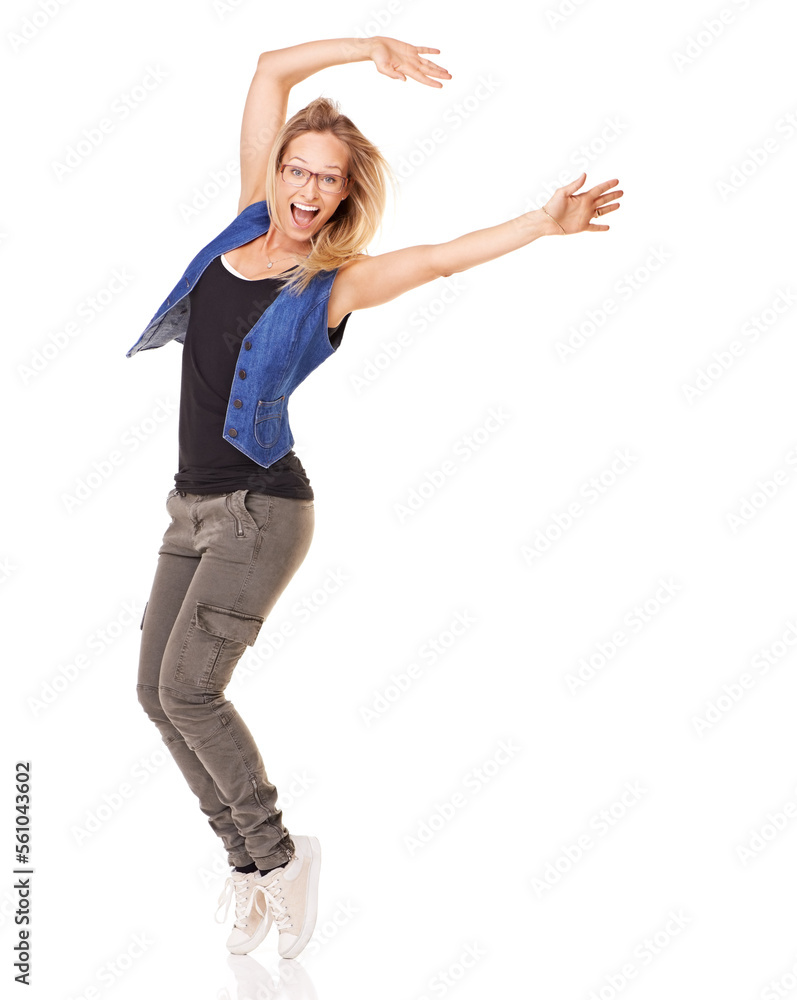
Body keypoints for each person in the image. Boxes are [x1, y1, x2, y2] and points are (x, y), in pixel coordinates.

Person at [129, 35, 623, 960]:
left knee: (191, 691)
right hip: (188, 507)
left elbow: (435, 259)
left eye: (329, 182)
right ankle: (246, 868)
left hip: (260, 511)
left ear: (348, 196)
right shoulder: (244, 223)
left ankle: (279, 859)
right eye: (298, 171)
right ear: (276, 171)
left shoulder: (331, 283)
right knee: (156, 696)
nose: (309, 192)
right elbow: (272, 68)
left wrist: (540, 223)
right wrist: (368, 49)